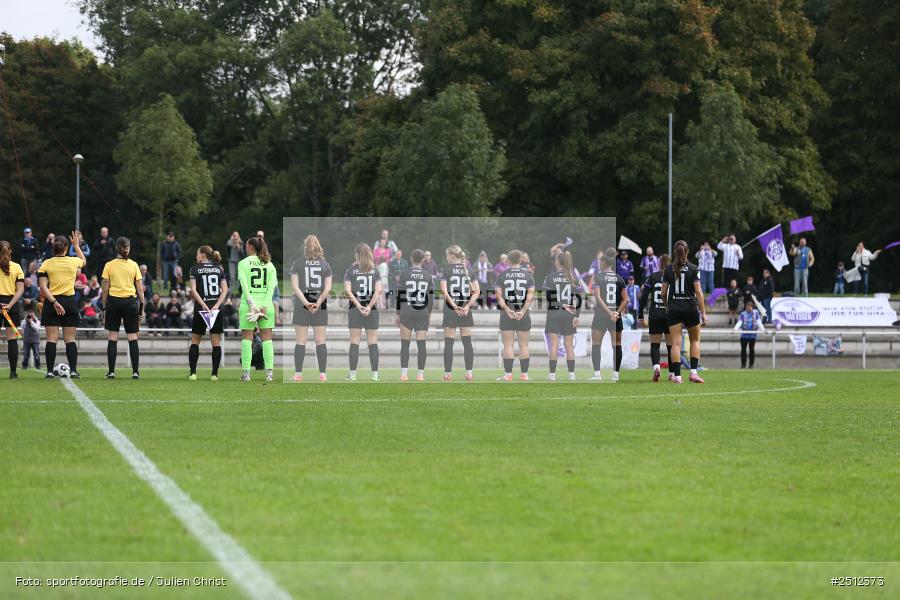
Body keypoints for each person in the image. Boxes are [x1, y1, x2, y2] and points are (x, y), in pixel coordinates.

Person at [37, 231, 87, 378]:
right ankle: (73, 370)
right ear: (66, 248)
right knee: (70, 339)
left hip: (51, 303)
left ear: (54, 247)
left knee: (51, 338)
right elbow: (83, 260)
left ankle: (49, 371)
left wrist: (54, 302)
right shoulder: (73, 261)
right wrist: (76, 245)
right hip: (69, 302)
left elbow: (43, 287)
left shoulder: (46, 263)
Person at [660, 240, 707, 384]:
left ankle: (677, 377)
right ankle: (693, 373)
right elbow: (698, 292)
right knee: (694, 340)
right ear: (687, 252)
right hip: (690, 308)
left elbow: (663, 293)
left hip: (674, 308)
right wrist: (703, 312)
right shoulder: (694, 268)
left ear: (675, 252)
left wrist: (667, 306)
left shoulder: (668, 270)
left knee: (675, 343)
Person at [289, 235, 332, 382]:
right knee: (320, 340)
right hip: (320, 304)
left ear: (305, 246)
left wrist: (306, 303)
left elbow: (295, 287)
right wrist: (317, 303)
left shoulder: (297, 263)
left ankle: (298, 374)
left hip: (302, 304)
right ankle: (323, 375)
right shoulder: (325, 264)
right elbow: (327, 289)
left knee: (301, 341)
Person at [99, 237, 144, 379]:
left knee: (113, 337)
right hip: (130, 303)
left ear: (116, 248)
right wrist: (141, 309)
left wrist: (104, 307)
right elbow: (140, 290)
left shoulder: (109, 265)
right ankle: (135, 372)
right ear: (128, 248)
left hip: (113, 303)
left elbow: (105, 289)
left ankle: (111, 371)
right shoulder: (134, 265)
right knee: (132, 337)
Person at [238, 236, 278, 382]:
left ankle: (247, 374)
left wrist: (252, 306)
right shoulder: (270, 265)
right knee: (267, 340)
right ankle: (269, 374)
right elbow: (271, 288)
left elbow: (244, 286)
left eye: (246, 246)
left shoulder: (243, 263)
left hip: (248, 306)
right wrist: (264, 307)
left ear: (250, 247)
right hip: (266, 306)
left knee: (247, 339)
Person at [188, 246, 229, 381]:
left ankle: (193, 373)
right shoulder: (219, 269)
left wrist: (204, 305)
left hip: (201, 309)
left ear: (203, 255)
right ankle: (214, 374)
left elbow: (193, 290)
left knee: (195, 341)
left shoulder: (195, 269)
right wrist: (216, 305)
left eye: (197, 254)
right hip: (215, 311)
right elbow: (225, 290)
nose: (196, 257)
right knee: (216, 343)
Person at [344, 243, 383, 381]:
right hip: (371, 310)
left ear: (357, 255)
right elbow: (378, 290)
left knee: (355, 342)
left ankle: (353, 375)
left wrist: (359, 306)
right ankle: (375, 375)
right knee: (372, 341)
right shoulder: (375, 270)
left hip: (355, 310)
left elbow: (348, 291)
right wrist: (369, 306)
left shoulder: (350, 270)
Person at [440, 245, 479, 381]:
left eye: (447, 255)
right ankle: (469, 373)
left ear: (451, 255)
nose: (446, 258)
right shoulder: (469, 269)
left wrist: (454, 306)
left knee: (448, 343)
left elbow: (444, 291)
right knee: (467, 342)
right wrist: (467, 306)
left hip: (451, 309)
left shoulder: (446, 269)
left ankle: (447, 374)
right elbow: (477, 291)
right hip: (465, 308)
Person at [495, 249, 535, 382]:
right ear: (521, 260)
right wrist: (523, 311)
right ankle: (524, 375)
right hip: (523, 314)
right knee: (524, 345)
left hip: (508, 314)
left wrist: (507, 310)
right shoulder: (528, 276)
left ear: (508, 260)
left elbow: (499, 297)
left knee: (508, 345)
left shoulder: (502, 276)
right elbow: (530, 297)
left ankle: (508, 375)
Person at [396, 249, 435, 381]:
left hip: (407, 311)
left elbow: (399, 295)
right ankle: (420, 375)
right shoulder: (427, 275)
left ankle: (404, 374)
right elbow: (431, 298)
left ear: (411, 258)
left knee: (405, 344)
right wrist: (429, 314)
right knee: (421, 344)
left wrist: (398, 313)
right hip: (422, 312)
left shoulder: (405, 274)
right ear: (423, 259)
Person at [591, 248, 627, 382]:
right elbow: (625, 299)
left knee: (596, 344)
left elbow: (598, 298)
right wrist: (616, 312)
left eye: (600, 262)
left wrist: (609, 312)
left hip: (601, 315)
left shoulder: (598, 277)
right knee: (616, 344)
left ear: (605, 263)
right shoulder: (619, 278)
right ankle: (615, 374)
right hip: (615, 317)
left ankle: (597, 374)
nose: (599, 264)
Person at [543, 250, 579, 382]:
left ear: (557, 262)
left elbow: (549, 298)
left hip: (553, 314)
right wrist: (577, 315)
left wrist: (561, 305)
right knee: (569, 346)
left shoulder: (550, 277)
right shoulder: (572, 277)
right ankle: (571, 374)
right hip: (569, 315)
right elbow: (579, 297)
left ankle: (552, 375)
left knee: (554, 345)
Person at [639, 253, 673, 382]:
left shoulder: (653, 277)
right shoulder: (674, 277)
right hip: (670, 315)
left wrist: (640, 313)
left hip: (655, 314)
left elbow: (643, 296)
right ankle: (672, 373)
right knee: (671, 346)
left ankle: (657, 367)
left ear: (659, 263)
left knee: (655, 344)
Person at [0, 240, 26, 378]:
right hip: (12, 304)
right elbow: (20, 290)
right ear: (10, 251)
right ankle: (13, 372)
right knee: (12, 339)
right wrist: (9, 305)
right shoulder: (17, 267)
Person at [734, 300, 765, 369]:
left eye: (749, 307)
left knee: (751, 350)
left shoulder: (756, 313)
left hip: (752, 335)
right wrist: (735, 328)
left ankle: (751, 365)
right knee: (743, 350)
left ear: (752, 307)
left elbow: (758, 321)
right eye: (747, 307)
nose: (748, 308)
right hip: (744, 335)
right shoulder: (743, 314)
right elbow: (740, 321)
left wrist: (763, 329)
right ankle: (743, 365)